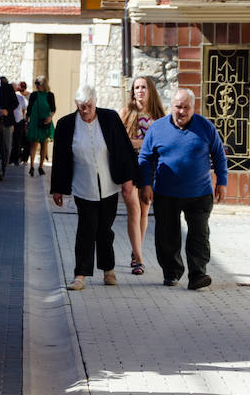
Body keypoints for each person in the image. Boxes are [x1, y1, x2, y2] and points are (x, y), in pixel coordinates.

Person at [136, 88, 229, 291]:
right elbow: (144, 158)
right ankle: (171, 272)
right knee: (167, 235)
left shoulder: (206, 127)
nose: (182, 111)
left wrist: (222, 181)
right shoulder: (157, 129)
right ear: (171, 107)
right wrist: (145, 185)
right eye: (178, 106)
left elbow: (219, 155)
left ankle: (198, 275)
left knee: (199, 235)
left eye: (186, 107)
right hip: (166, 193)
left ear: (193, 108)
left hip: (200, 193)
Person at [49, 86, 138, 291]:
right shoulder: (66, 124)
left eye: (89, 106)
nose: (85, 111)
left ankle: (108, 270)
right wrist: (58, 188)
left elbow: (123, 150)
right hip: (83, 186)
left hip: (109, 185)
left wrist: (128, 180)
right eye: (81, 107)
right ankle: (80, 275)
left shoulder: (110, 119)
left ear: (95, 103)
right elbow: (60, 159)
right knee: (86, 229)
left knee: (105, 230)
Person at [120, 76, 166, 275]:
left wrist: (142, 145)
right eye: (136, 87)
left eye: (143, 87)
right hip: (129, 165)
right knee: (133, 209)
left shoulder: (159, 116)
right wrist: (140, 144)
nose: (139, 90)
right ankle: (139, 260)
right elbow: (119, 141)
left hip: (150, 166)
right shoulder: (126, 112)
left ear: (150, 91)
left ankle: (135, 250)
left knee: (144, 211)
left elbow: (162, 143)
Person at [26, 76, 56, 176]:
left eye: (38, 83)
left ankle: (41, 166)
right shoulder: (34, 95)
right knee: (34, 144)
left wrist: (50, 117)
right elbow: (29, 109)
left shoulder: (50, 95)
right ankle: (32, 166)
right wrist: (27, 120)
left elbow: (53, 109)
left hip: (46, 122)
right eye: (36, 83)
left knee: (44, 144)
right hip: (35, 122)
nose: (36, 86)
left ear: (44, 84)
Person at [13, 82, 30, 165]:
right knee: (18, 140)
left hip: (17, 121)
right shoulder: (20, 96)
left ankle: (16, 158)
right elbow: (24, 109)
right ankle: (17, 158)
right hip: (19, 121)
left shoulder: (20, 96)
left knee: (16, 140)